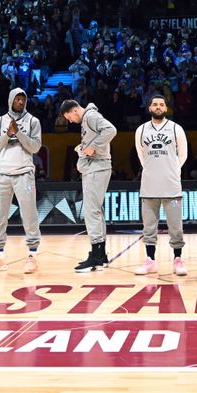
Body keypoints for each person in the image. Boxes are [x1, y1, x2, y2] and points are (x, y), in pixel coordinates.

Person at [0, 88, 43, 274]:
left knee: (29, 215)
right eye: (17, 99)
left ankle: (32, 256)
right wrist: (7, 134)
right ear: (11, 100)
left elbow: (35, 147)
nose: (20, 102)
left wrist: (19, 134)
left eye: (23, 99)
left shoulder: (33, 121)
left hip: (24, 173)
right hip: (1, 173)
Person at [134, 95, 189, 276]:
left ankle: (177, 260)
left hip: (171, 185)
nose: (158, 107)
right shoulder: (141, 130)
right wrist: (154, 170)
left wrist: (172, 170)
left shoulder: (176, 128)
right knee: (149, 227)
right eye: (155, 104)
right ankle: (150, 261)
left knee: (175, 227)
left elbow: (183, 155)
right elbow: (142, 156)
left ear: (166, 108)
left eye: (161, 105)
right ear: (149, 108)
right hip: (149, 185)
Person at [60, 99, 116, 272]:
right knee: (96, 211)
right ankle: (101, 255)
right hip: (96, 168)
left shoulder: (90, 116)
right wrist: (84, 147)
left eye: (69, 117)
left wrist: (93, 146)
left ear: (74, 110)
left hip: (96, 168)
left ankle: (96, 255)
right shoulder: (88, 118)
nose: (70, 121)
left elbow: (111, 130)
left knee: (92, 211)